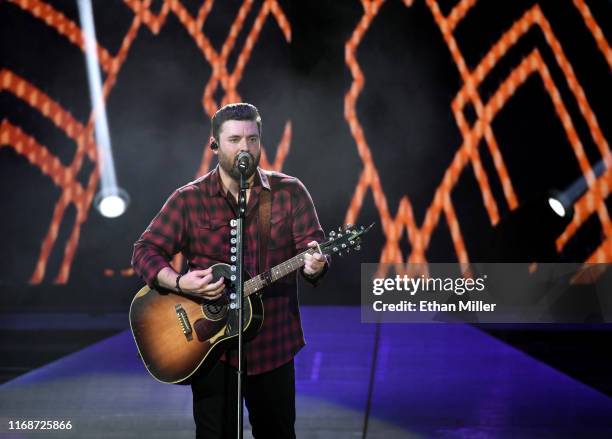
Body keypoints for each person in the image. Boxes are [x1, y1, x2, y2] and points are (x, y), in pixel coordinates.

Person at [131, 102, 328, 438]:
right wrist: (180, 282)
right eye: (235, 139)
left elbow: (313, 253)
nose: (245, 148)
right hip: (211, 350)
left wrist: (315, 264)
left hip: (274, 345)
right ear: (215, 145)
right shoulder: (189, 199)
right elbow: (145, 251)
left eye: (252, 139)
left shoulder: (289, 192)